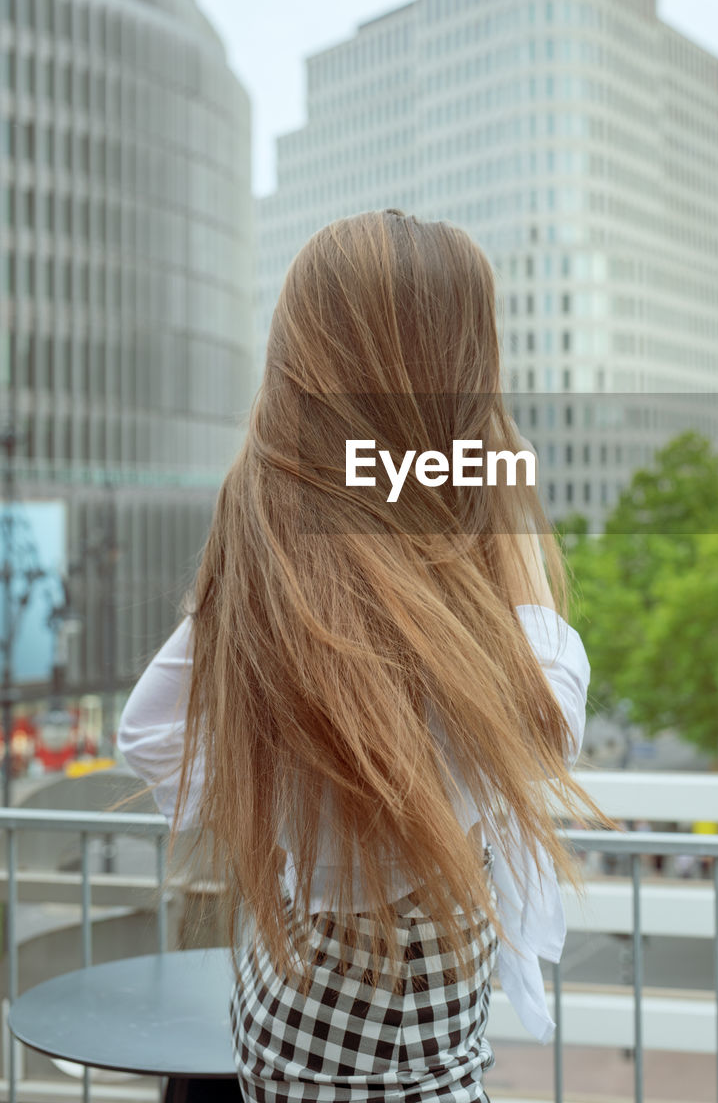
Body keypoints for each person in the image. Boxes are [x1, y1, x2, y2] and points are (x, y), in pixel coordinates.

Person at [117, 210, 617, 1103]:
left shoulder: (267, 525)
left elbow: (151, 734)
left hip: (282, 1013)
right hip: (396, 1051)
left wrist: (292, 831)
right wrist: (501, 500)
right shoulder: (456, 529)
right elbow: (549, 724)